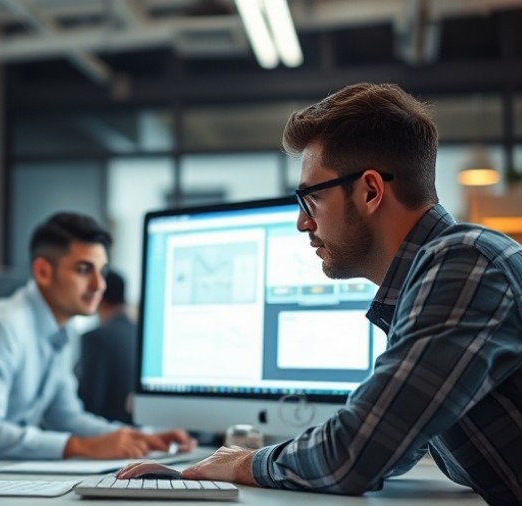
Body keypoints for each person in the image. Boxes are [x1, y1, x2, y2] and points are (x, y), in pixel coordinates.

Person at [118, 83, 522, 504]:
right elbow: (395, 437)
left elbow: (355, 453)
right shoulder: (437, 273)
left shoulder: (465, 263)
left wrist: (241, 463)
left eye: (310, 198)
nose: (301, 223)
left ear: (370, 191)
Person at [0, 212, 195, 460]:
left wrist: (139, 437)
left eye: (102, 271)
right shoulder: (4, 328)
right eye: (84, 269)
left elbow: (65, 416)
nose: (99, 285)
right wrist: (80, 446)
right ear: (42, 272)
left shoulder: (65, 331)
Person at [76, 269, 137, 424]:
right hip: (136, 428)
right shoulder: (139, 333)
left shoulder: (95, 338)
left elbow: (89, 402)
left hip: (105, 432)